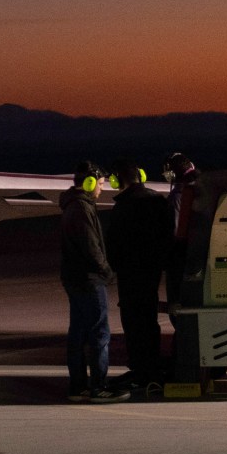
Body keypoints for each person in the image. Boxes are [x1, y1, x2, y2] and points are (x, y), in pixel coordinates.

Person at [103, 159, 171, 393]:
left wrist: (114, 268)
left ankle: (141, 370)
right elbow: (167, 235)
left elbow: (113, 244)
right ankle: (150, 369)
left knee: (133, 324)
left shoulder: (123, 206)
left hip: (131, 275)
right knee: (149, 322)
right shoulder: (157, 200)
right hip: (151, 274)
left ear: (119, 181)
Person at [60, 162, 123, 402]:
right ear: (89, 182)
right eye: (101, 183)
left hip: (74, 278)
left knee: (77, 332)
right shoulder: (81, 208)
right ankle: (99, 387)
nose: (102, 188)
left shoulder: (71, 205)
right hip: (89, 279)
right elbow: (91, 247)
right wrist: (106, 271)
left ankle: (78, 387)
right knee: (99, 333)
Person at [164, 153, 200, 307]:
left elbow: (176, 231)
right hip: (197, 253)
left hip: (180, 257)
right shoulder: (199, 190)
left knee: (177, 299)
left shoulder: (178, 197)